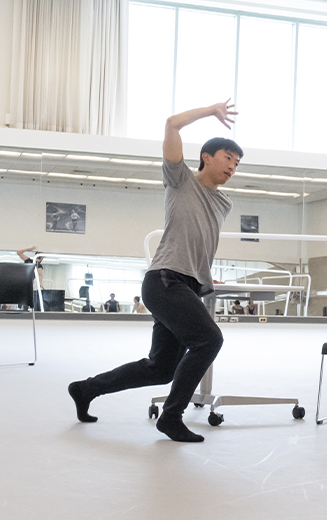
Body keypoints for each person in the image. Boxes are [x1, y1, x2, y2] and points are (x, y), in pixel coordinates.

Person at [67, 99, 241, 443]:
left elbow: (199, 239)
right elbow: (172, 124)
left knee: (160, 369)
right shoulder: (180, 181)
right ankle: (171, 417)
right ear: (206, 157)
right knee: (209, 339)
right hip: (164, 280)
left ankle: (85, 389)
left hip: (188, 284)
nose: (233, 167)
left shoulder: (224, 202)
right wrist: (211, 111)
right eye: (227, 158)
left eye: (237, 163)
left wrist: (205, 275)